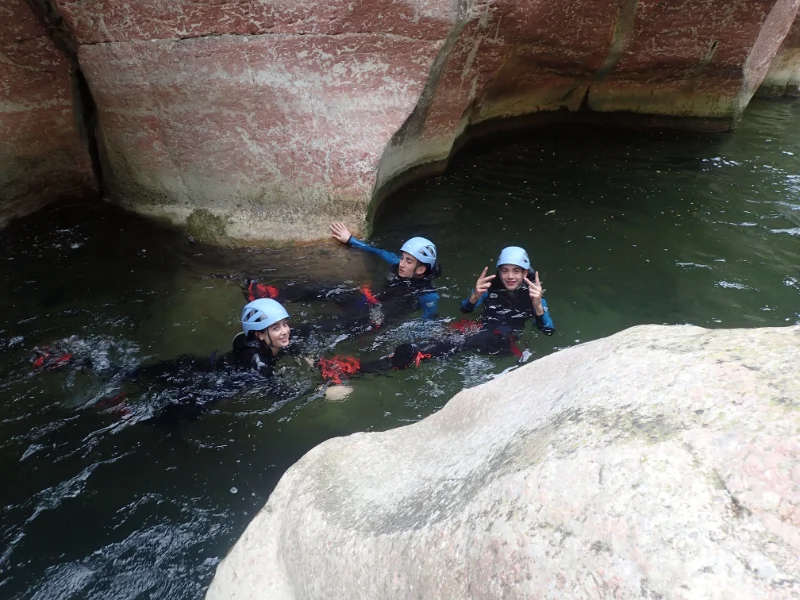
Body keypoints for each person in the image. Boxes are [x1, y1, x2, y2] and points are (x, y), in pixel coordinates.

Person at [317, 246, 555, 380]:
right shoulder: (490, 286)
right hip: (479, 328)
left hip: (502, 338)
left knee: (436, 348)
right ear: (499, 271)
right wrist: (474, 296)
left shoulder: (535, 295)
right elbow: (465, 309)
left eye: (516, 271)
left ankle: (359, 369)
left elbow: (548, 330)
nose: (510, 276)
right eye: (505, 271)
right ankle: (365, 363)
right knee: (428, 341)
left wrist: (536, 305)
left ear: (526, 273)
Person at [245, 223, 441, 333]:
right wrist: (351, 240)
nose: (401, 263)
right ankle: (275, 294)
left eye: (408, 261)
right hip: (368, 300)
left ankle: (289, 332)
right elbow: (377, 251)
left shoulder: (428, 295)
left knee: (332, 324)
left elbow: (427, 322)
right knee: (327, 288)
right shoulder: (396, 262)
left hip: (375, 317)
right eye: (403, 258)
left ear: (421, 269)